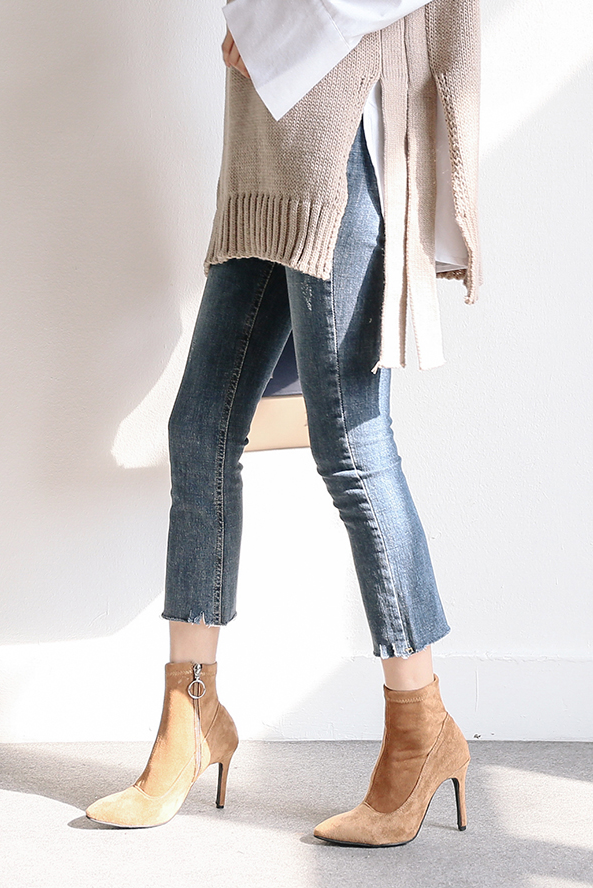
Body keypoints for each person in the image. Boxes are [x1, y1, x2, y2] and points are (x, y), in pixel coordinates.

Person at [85, 0, 481, 847]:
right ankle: (192, 716)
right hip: (267, 148)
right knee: (200, 429)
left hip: (345, 147)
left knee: (351, 443)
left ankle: (422, 728)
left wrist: (272, 26)